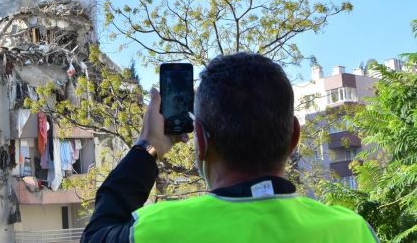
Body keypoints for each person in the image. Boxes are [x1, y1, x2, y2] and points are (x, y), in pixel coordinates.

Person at [82, 52, 379, 243]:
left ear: (200, 141)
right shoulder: (354, 232)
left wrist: (148, 147)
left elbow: (96, 234)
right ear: (293, 138)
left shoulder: (155, 231)